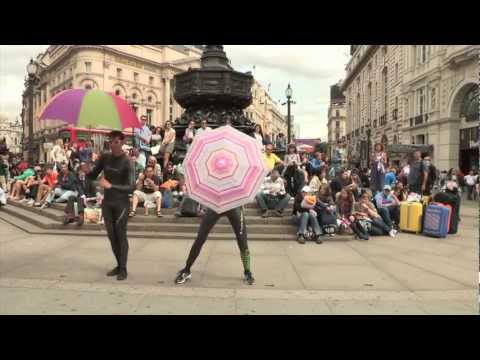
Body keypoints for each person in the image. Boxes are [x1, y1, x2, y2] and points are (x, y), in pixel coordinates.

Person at [87, 131, 135, 281]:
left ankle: (123, 268)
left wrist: (111, 185)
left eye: (116, 142)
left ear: (122, 142)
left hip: (121, 203)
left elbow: (131, 187)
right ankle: (119, 264)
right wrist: (86, 170)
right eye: (110, 141)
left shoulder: (128, 162)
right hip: (107, 203)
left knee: (121, 235)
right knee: (111, 236)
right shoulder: (105, 157)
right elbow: (93, 175)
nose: (113, 144)